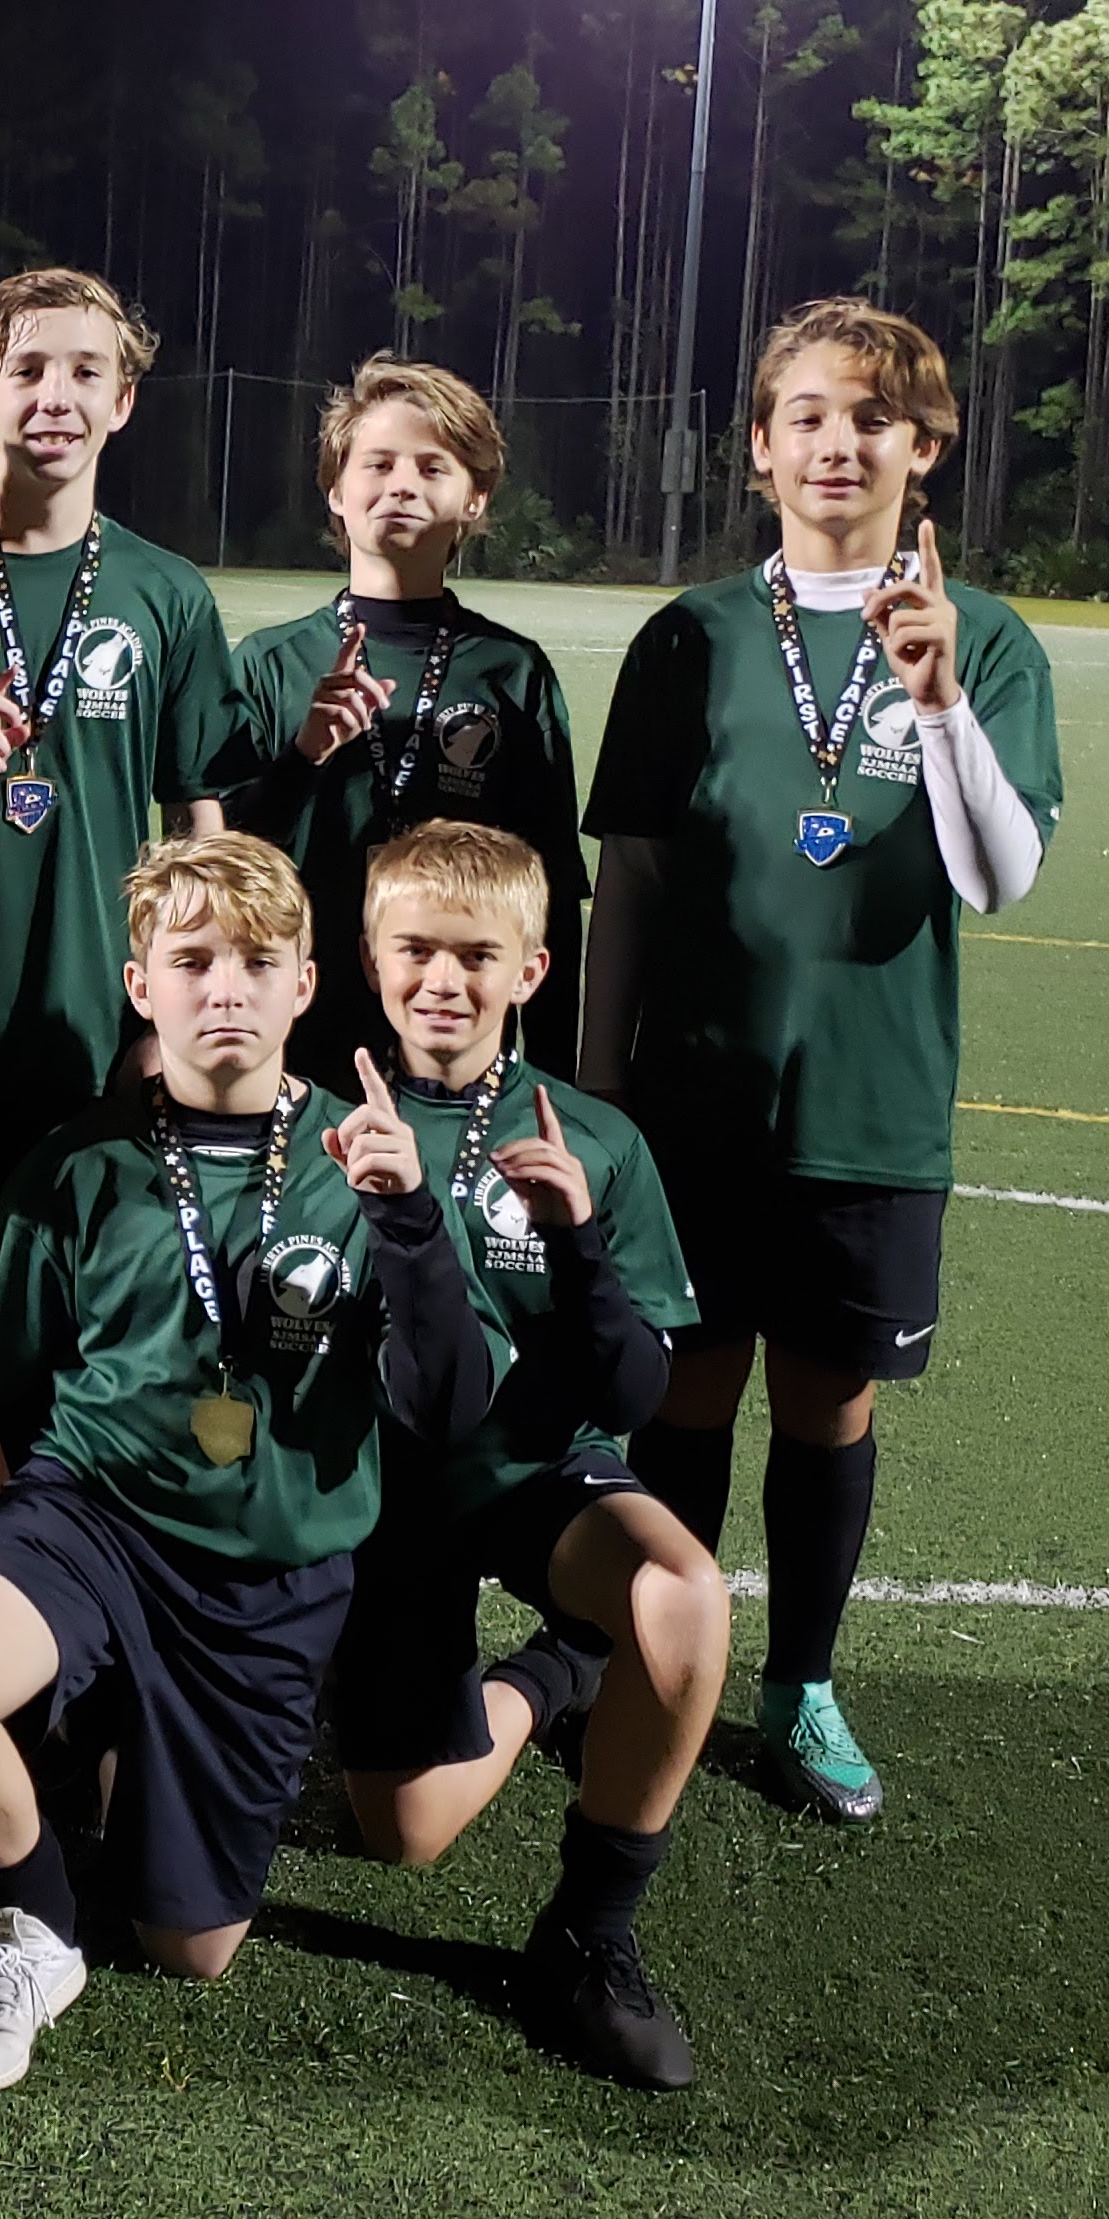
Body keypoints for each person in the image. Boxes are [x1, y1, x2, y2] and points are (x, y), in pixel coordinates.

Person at [0, 833, 491, 2091]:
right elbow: (19, 1401)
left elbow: (448, 1404)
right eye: (192, 960)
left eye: (257, 962)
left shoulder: (370, 1165)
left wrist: (413, 1226)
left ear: (305, 986)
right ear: (140, 985)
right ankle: (35, 1921)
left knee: (190, 1948)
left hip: (269, 1579)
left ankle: (121, 1739)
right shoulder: (72, 1166)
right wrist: (26, 1609)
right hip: (93, 1524)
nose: (225, 990)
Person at [582, 297, 1062, 1826]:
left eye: (872, 418)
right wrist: (597, 1090)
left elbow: (999, 878)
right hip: (694, 1097)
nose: (837, 443)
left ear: (925, 449)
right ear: (758, 447)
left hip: (872, 1101)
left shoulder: (987, 642)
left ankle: (802, 1685)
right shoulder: (692, 635)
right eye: (806, 414)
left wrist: (938, 703)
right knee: (682, 1390)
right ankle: (646, 1659)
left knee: (828, 1400)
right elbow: (634, 876)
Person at [0, 268, 246, 1560]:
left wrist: (188, 1012)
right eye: (26, 370)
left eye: (85, 373)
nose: (54, 396)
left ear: (123, 403)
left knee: (48, 1336)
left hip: (84, 1034)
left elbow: (198, 822)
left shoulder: (166, 594)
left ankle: (26, 1574)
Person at [321, 821, 724, 2090]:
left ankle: (592, 1935)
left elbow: (639, 1390)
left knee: (684, 1595)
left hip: (541, 1477)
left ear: (533, 970)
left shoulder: (594, 1139)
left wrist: (579, 1245)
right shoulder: (313, 1125)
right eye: (415, 951)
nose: (443, 980)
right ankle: (559, 1669)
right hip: (380, 1500)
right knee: (405, 1835)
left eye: (476, 956)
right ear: (370, 959)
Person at [215, 357, 590, 1093]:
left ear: (475, 499)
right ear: (337, 490)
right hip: (294, 1043)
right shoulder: (271, 664)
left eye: (432, 467)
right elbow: (221, 865)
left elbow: (550, 896)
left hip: (458, 1051)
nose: (402, 485)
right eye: (379, 463)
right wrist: (303, 757)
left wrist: (553, 1082)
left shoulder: (510, 672)